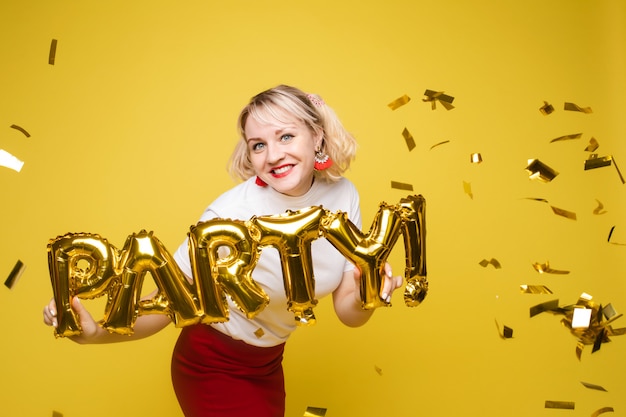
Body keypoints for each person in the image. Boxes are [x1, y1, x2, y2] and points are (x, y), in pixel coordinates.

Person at [43, 84, 404, 417]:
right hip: (210, 364)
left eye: (286, 136)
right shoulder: (229, 213)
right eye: (258, 144)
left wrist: (366, 293)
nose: (273, 155)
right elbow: (169, 303)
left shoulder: (344, 196)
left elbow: (348, 312)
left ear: (317, 136)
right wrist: (95, 333)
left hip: (268, 364)